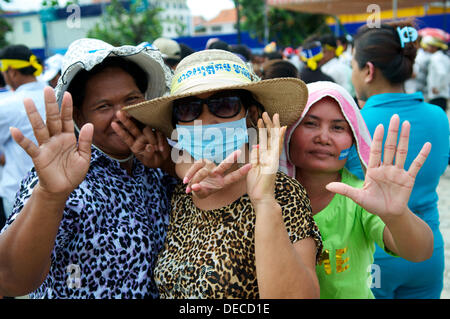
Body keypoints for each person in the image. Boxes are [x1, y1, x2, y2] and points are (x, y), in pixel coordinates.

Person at [121, 49, 323, 298]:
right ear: (177, 124)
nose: (206, 120)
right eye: (187, 109)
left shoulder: (283, 193)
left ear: (250, 114)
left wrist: (264, 202)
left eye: (224, 105)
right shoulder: (181, 193)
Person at [0, 38, 177, 298]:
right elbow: (10, 280)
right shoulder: (61, 176)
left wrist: (168, 163)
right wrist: (50, 195)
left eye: (132, 99)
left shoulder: (159, 165)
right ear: (80, 117)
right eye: (104, 106)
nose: (122, 115)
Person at [279, 81, 433, 299]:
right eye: (310, 124)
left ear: (353, 140)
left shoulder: (363, 197)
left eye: (338, 127)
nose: (323, 138)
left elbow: (420, 252)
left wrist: (397, 215)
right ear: (290, 132)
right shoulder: (267, 196)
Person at [346, 21, 450, 299]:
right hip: (428, 250)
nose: (351, 75)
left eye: (352, 67)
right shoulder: (439, 118)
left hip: (375, 251)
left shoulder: (352, 124)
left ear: (368, 71)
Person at [0, 44, 46, 220]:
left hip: (18, 194)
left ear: (12, 72)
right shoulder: (54, 93)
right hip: (60, 189)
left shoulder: (7, 106)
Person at [422, 35, 450, 112]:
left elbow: (442, 73)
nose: (428, 48)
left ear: (435, 47)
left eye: (430, 46)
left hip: (437, 94)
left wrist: (437, 87)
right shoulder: (444, 57)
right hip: (442, 94)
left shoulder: (436, 57)